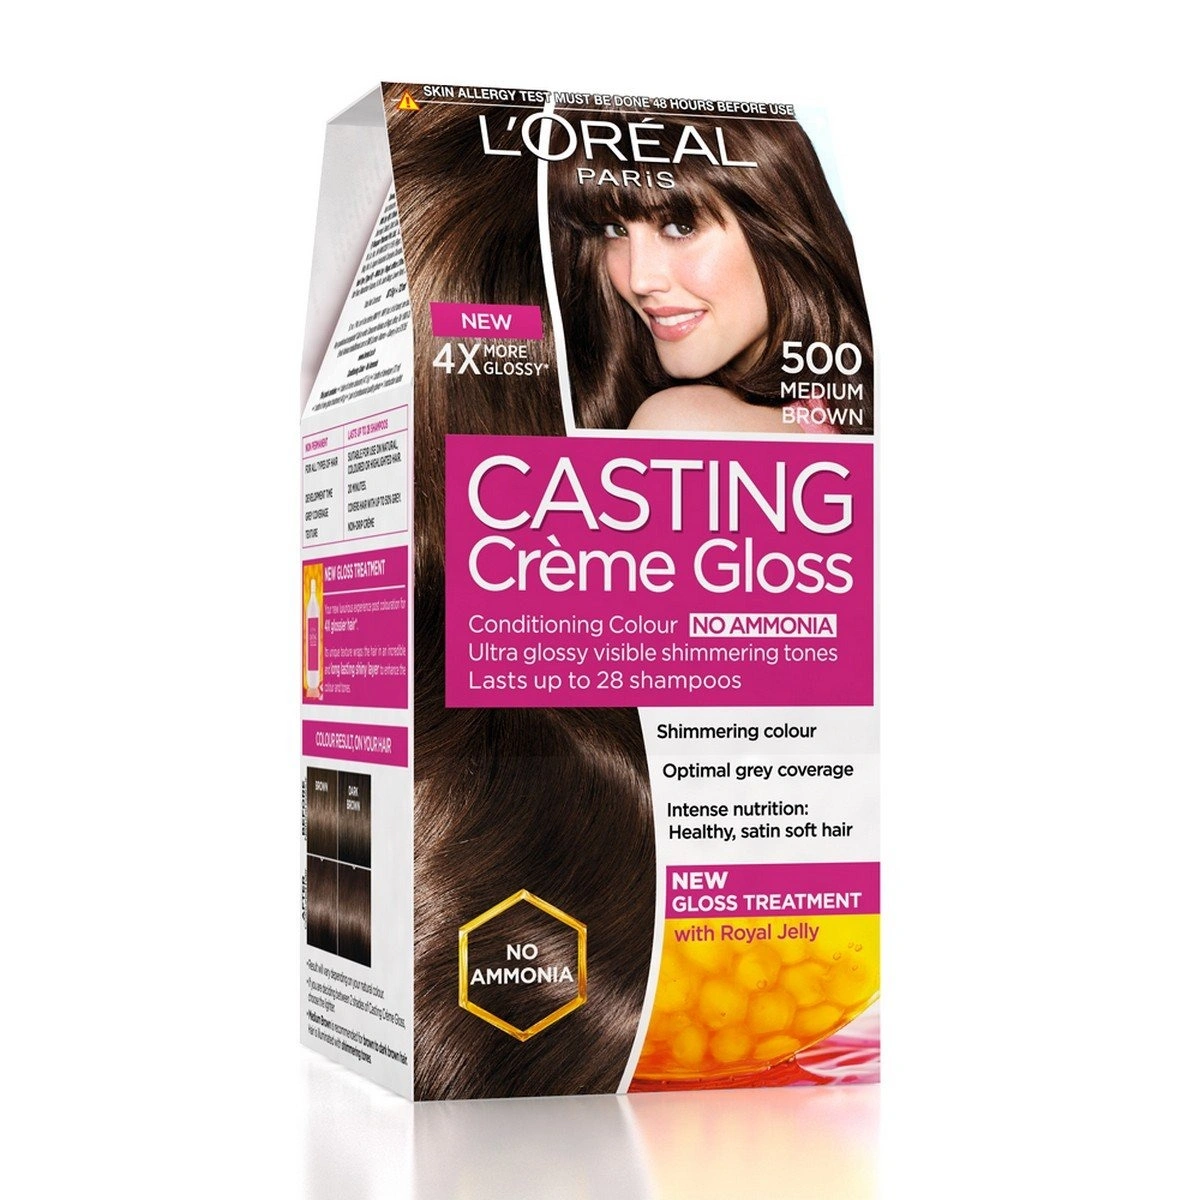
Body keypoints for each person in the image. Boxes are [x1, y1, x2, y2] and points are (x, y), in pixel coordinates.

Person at [550, 110, 874, 435]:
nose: (639, 280)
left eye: (680, 227)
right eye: (615, 230)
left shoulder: (683, 424)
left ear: (780, 228)